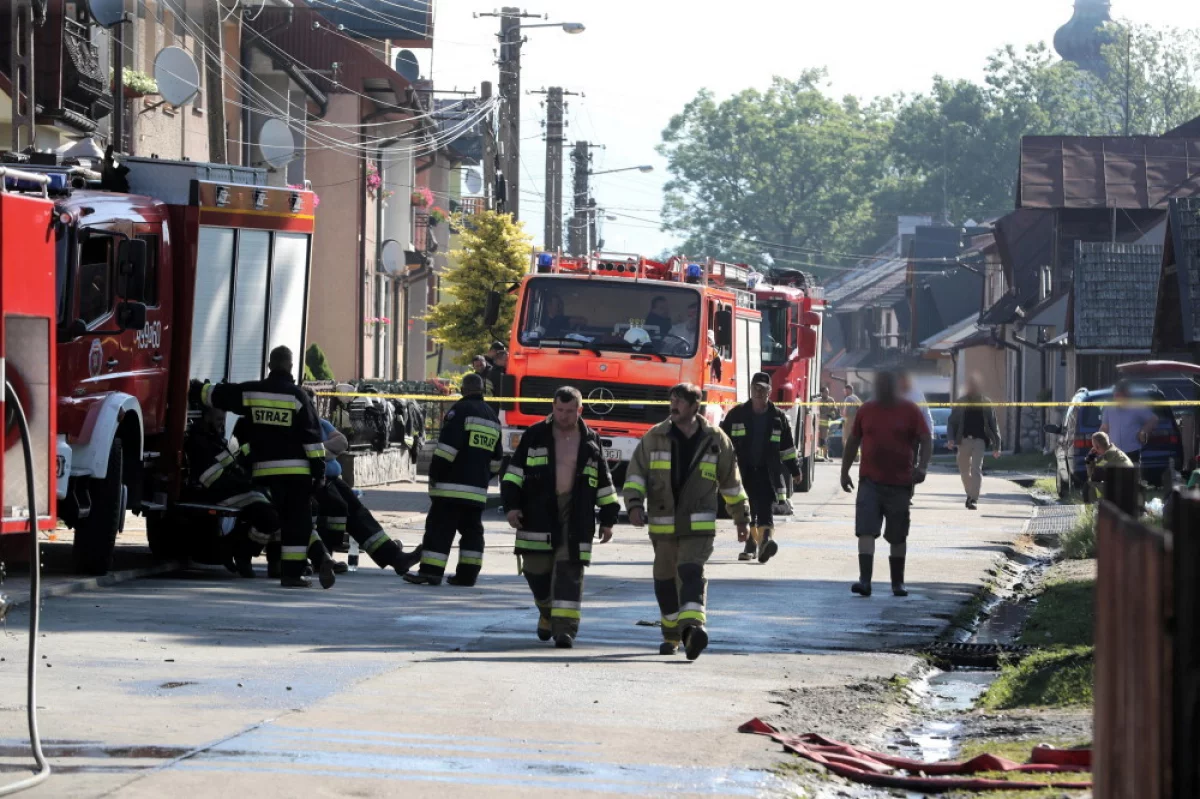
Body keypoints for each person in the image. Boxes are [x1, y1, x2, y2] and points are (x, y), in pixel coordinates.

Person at [624, 383, 749, 660]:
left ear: (695, 406)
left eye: (680, 401)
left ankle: (693, 629)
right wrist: (633, 504)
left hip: (699, 527)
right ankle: (672, 635)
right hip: (663, 527)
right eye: (672, 400)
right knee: (664, 583)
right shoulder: (654, 437)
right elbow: (636, 475)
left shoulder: (716, 439)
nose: (674, 405)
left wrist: (742, 518)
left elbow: (731, 482)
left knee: (691, 573)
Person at [192, 346, 333, 589]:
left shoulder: (252, 391)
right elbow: (312, 440)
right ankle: (293, 573)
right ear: (290, 367)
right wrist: (318, 473)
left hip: (265, 473)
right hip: (297, 473)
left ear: (270, 366)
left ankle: (306, 561)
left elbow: (221, 394)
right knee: (297, 522)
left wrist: (194, 388)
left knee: (278, 517)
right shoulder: (299, 397)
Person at [502, 387, 620, 648]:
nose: (564, 416)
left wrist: (609, 519)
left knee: (570, 572)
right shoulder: (534, 435)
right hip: (537, 513)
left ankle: (565, 631)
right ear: (552, 407)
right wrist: (511, 507)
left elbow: (604, 482)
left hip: (576, 516)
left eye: (569, 411)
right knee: (536, 572)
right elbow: (512, 475)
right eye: (559, 410)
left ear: (580, 410)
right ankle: (547, 613)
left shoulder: (591, 441)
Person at [404, 372, 503, 586]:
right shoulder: (493, 419)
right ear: (482, 390)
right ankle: (467, 576)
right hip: (476, 491)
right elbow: (496, 462)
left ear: (464, 390)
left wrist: (434, 476)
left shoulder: (459, 411)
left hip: (449, 487)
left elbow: (446, 450)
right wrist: (481, 477)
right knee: (472, 532)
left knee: (439, 528)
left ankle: (431, 572)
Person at [839, 370, 931, 598]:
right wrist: (844, 471)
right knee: (866, 531)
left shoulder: (910, 410)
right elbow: (853, 441)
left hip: (900, 483)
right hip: (869, 482)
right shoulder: (866, 410)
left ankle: (897, 583)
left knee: (898, 534)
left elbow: (926, 438)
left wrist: (922, 467)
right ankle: (864, 581)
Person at [312, 415, 423, 576]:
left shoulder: (322, 423)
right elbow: (307, 451)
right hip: (314, 480)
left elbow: (341, 443)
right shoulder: (301, 425)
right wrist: (328, 450)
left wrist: (320, 450)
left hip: (333, 479)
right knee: (333, 511)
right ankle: (323, 560)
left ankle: (396, 558)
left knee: (359, 514)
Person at [721, 372, 801, 563]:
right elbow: (722, 443)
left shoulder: (778, 417)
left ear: (770, 392)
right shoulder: (736, 414)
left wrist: (795, 470)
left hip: (767, 472)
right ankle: (751, 546)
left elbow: (787, 448)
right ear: (750, 389)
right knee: (748, 510)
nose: (759, 392)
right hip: (743, 471)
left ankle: (765, 542)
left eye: (763, 389)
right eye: (755, 388)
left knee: (764, 508)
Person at [946, 375, 1002, 510]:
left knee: (976, 470)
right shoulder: (961, 402)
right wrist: (950, 439)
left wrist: (997, 446)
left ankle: (973, 499)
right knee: (964, 471)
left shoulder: (986, 403)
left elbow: (994, 425)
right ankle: (969, 493)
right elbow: (951, 422)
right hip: (964, 441)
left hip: (979, 441)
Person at [1100, 380, 1159, 467]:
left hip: (1132, 452)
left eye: (1120, 395)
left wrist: (1143, 431)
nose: (1117, 398)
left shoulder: (1137, 407)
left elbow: (1154, 419)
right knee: (1114, 478)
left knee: (1132, 478)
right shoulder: (1109, 408)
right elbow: (1104, 428)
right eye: (1116, 395)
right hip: (1113, 452)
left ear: (1126, 396)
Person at [897, 372, 934, 505]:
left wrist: (929, 433)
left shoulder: (917, 394)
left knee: (909, 464)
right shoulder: (893, 393)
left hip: (912, 436)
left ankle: (907, 494)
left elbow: (926, 414)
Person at [1086, 431, 1134, 499]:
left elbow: (1093, 476)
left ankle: (1098, 505)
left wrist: (1089, 460)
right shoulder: (1116, 452)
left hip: (1123, 491)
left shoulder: (1107, 457)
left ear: (1096, 446)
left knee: (1090, 485)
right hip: (1131, 488)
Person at [817, 386, 837, 460]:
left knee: (825, 440)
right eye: (825, 392)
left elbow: (834, 410)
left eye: (828, 392)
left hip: (826, 424)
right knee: (819, 440)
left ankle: (825, 455)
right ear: (822, 393)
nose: (827, 393)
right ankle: (819, 455)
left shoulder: (831, 400)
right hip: (817, 424)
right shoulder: (818, 400)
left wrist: (832, 414)